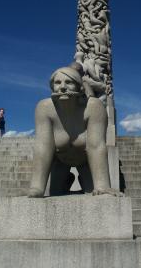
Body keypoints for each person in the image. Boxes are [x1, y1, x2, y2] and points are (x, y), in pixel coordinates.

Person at [28, 65, 120, 198]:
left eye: (69, 82)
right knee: (56, 194)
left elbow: (96, 146)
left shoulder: (94, 107)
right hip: (60, 161)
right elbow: (43, 146)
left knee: (95, 193)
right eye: (58, 83)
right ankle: (66, 180)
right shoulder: (44, 107)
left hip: (85, 162)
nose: (63, 87)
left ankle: (86, 181)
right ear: (52, 87)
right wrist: (37, 187)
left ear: (79, 86)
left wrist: (102, 185)